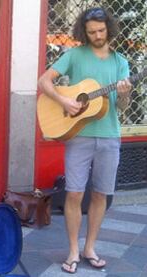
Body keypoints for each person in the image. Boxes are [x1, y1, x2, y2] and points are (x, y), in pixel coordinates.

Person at [38, 7, 132, 274]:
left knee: (102, 194)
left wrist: (124, 94)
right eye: (92, 32)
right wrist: (64, 100)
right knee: (75, 193)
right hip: (78, 134)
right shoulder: (74, 55)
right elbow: (44, 81)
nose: (97, 35)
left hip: (109, 136)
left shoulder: (120, 61)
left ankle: (90, 247)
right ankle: (72, 250)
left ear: (109, 29)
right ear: (84, 31)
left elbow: (122, 106)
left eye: (101, 31)